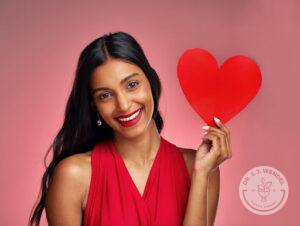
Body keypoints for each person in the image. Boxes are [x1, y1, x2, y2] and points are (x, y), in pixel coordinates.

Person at [29, 31, 232, 226]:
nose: (124, 105)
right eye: (105, 95)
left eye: (132, 84)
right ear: (95, 106)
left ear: (152, 81)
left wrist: (202, 173)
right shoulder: (74, 175)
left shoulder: (200, 169)